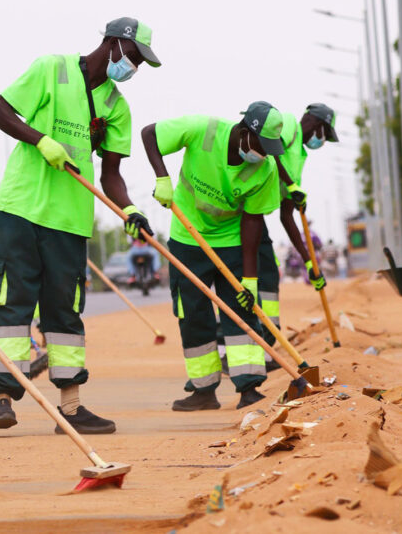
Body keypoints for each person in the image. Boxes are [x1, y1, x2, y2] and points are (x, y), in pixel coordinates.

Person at [0, 17, 159, 433]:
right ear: (114, 44)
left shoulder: (117, 107)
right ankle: (3, 398)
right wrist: (39, 139)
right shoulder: (52, 68)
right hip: (21, 209)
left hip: (71, 220)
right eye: (133, 57)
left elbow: (111, 174)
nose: (133, 68)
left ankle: (71, 407)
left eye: (140, 63)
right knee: (12, 303)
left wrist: (129, 210)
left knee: (65, 311)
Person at [142, 101, 283, 411]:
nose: (265, 155)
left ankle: (248, 388)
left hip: (232, 241)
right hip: (187, 236)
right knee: (192, 313)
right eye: (262, 146)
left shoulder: (266, 169)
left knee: (241, 312)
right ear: (246, 133)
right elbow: (149, 133)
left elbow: (252, 220)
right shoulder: (202, 130)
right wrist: (162, 178)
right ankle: (204, 391)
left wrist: (249, 278)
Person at [256, 103, 337, 358]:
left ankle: (267, 343)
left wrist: (309, 261)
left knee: (268, 275)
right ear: (315, 124)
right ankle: (240, 346)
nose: (321, 140)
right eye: (324, 134)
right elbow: (270, 150)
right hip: (241, 208)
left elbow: (287, 215)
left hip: (255, 214)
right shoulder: (288, 124)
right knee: (247, 279)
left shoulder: (300, 158)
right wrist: (290, 184)